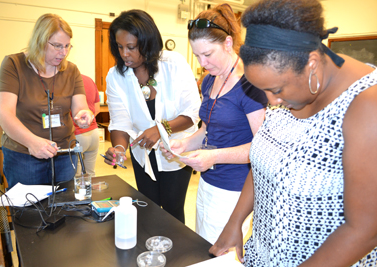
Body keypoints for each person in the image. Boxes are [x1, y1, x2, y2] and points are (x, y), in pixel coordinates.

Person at [209, 0, 377, 266]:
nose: (271, 101)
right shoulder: (289, 92)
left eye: (276, 90)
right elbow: (265, 161)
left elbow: (365, 230)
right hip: (262, 255)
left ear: (311, 64)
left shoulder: (367, 106)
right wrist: (235, 222)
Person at [161, 3, 268, 245]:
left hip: (234, 190)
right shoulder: (210, 81)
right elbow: (207, 129)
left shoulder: (250, 85)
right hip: (208, 181)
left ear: (228, 44)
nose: (202, 62)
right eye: (197, 55)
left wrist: (214, 157)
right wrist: (183, 144)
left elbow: (261, 149)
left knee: (220, 254)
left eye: (207, 54)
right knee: (203, 245)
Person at [104, 10, 201, 223]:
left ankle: (177, 255)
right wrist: (119, 148)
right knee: (148, 208)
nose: (124, 54)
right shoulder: (115, 76)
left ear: (147, 43)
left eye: (131, 47)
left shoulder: (173, 64)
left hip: (175, 150)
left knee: (172, 209)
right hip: (143, 152)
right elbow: (120, 121)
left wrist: (161, 129)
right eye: (119, 47)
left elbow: (192, 112)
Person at [0, 13, 94, 189]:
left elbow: (81, 108)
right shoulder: (14, 65)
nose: (63, 53)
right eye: (57, 46)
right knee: (29, 212)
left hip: (64, 154)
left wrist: (84, 115)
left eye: (67, 46)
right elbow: (4, 114)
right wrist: (32, 142)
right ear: (40, 41)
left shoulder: (71, 70)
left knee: (64, 209)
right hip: (24, 156)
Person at [73, 74, 100, 177]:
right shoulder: (89, 80)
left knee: (76, 175)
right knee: (90, 174)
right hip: (93, 132)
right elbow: (97, 109)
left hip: (77, 134)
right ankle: (91, 193)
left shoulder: (67, 80)